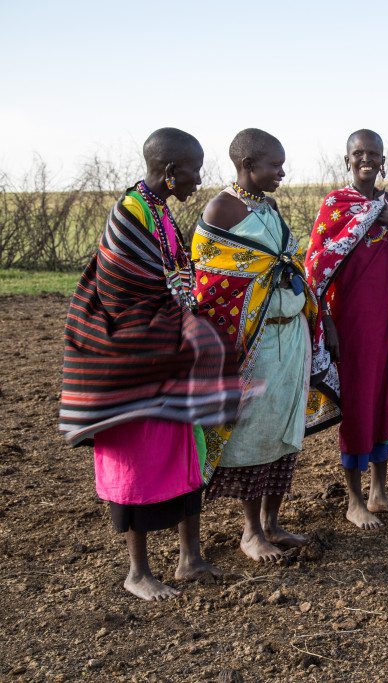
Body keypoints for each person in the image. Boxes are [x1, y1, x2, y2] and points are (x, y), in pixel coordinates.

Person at [59, 128, 247, 600]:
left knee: (186, 454)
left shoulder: (159, 211)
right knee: (136, 464)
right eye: (194, 171)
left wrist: (189, 322)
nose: (198, 181)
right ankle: (137, 572)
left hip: (166, 354)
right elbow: (125, 292)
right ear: (169, 171)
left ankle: (190, 558)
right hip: (133, 361)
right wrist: (182, 323)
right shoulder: (130, 213)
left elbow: (175, 280)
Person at [192, 128, 317, 561]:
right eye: (274, 165)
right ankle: (250, 531)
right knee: (255, 434)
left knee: (285, 431)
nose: (282, 172)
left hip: (290, 333)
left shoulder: (269, 205)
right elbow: (211, 283)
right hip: (256, 343)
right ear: (248, 166)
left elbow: (285, 264)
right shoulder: (221, 209)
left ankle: (273, 522)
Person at [304, 129, 388, 529]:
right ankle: (354, 500)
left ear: (383, 160)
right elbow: (315, 268)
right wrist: (326, 320)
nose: (366, 159)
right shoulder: (335, 205)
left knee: (385, 400)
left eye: (374, 154)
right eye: (359, 153)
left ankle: (380, 493)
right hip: (349, 325)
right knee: (357, 406)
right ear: (347, 159)